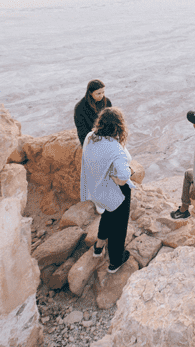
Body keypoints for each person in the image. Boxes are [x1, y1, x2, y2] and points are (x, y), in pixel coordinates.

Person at [80, 107, 134, 273]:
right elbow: (125, 174)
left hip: (95, 189)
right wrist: (118, 180)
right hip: (114, 192)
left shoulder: (90, 137)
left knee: (108, 215)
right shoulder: (115, 148)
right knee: (119, 227)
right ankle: (115, 261)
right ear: (118, 126)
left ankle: (99, 247)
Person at [74, 79, 112, 146]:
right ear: (90, 93)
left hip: (106, 136)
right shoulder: (79, 108)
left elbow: (112, 121)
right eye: (98, 93)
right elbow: (81, 130)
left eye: (103, 92)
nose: (102, 95)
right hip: (91, 139)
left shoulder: (107, 102)